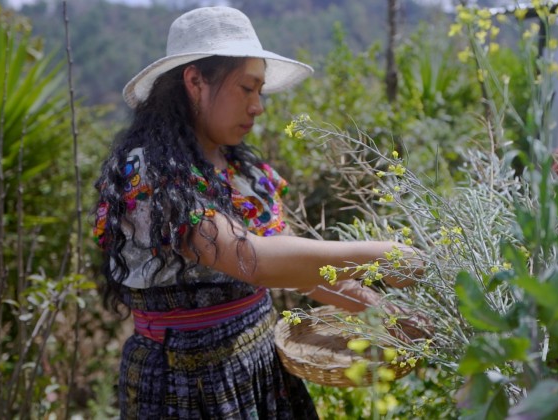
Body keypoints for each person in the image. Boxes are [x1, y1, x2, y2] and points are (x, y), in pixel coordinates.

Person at [93, 6, 423, 419]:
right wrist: (385, 256)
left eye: (259, 91)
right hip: (183, 383)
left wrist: (383, 312)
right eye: (246, 89)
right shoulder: (151, 174)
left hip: (260, 367)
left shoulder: (242, 172)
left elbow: (301, 272)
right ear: (195, 82)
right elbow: (255, 260)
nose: (257, 107)